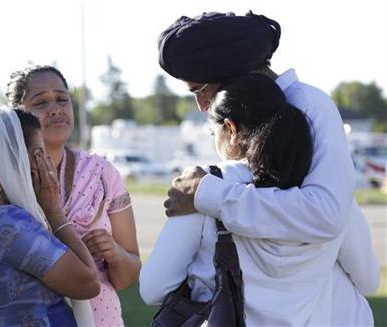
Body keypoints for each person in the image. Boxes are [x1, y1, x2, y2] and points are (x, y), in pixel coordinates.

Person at [155, 11, 379, 324]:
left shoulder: (309, 104)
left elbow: (326, 213)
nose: (202, 106)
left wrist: (207, 193)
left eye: (199, 90)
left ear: (234, 76)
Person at [0, 65, 141, 326]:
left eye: (62, 99)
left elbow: (126, 278)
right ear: (16, 117)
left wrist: (113, 252)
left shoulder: (102, 174)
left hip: (100, 316)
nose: (55, 108)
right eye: (41, 102)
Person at [0, 106, 100, 326]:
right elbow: (88, 283)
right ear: (19, 160)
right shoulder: (5, 223)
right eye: (39, 154)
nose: (45, 164)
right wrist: (54, 212)